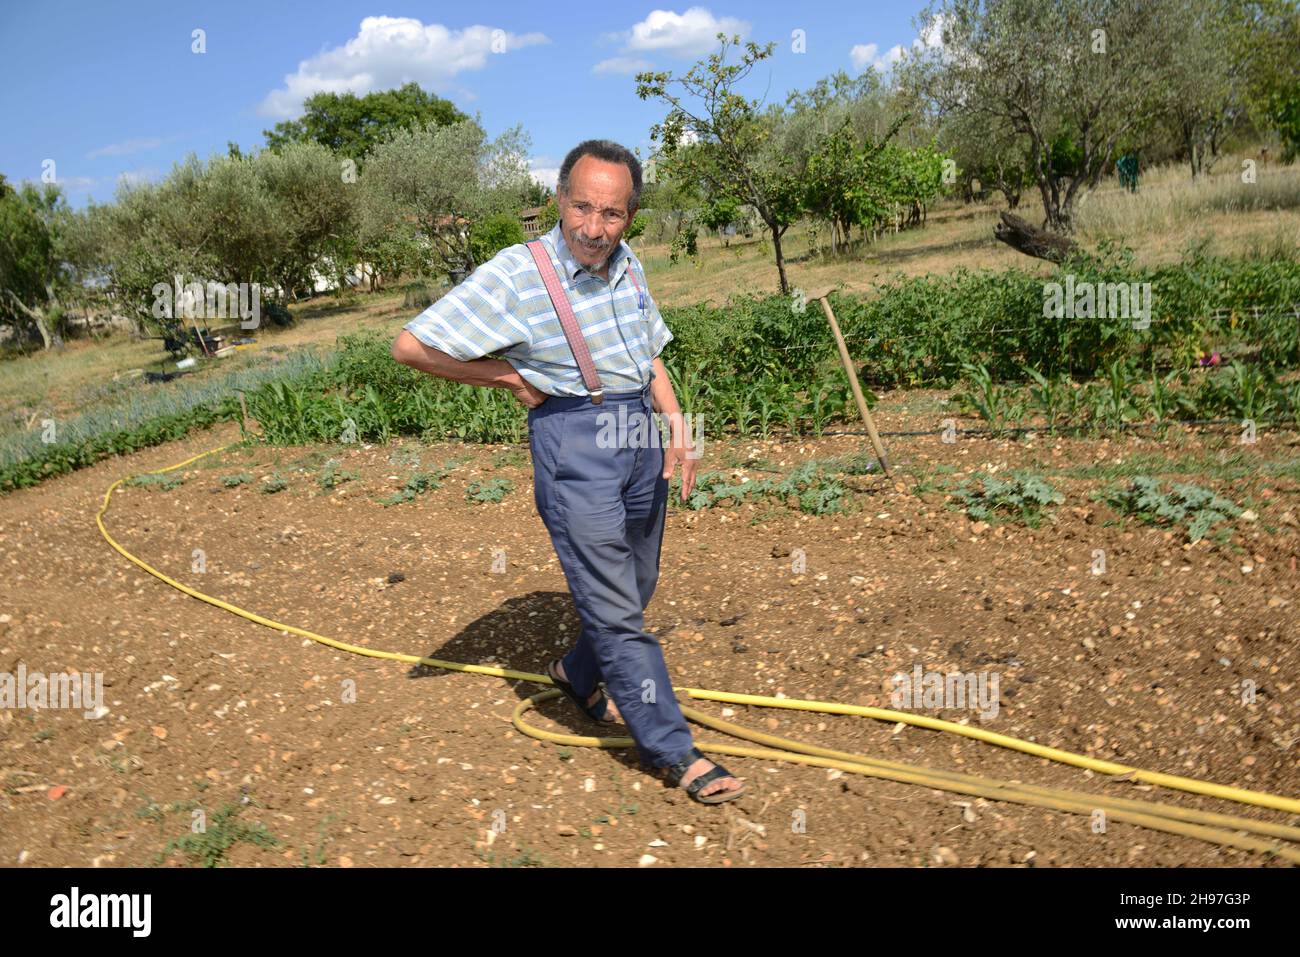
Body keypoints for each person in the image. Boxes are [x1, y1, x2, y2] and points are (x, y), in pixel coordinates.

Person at [390, 139, 745, 804]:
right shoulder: (516, 274)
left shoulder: (626, 262)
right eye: (581, 207)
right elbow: (411, 344)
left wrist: (676, 424)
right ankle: (675, 749)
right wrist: (508, 377)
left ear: (630, 218)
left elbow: (649, 350)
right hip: (575, 437)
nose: (592, 227)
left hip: (637, 425)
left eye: (611, 214)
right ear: (560, 199)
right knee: (617, 611)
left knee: (638, 579)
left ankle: (575, 673)